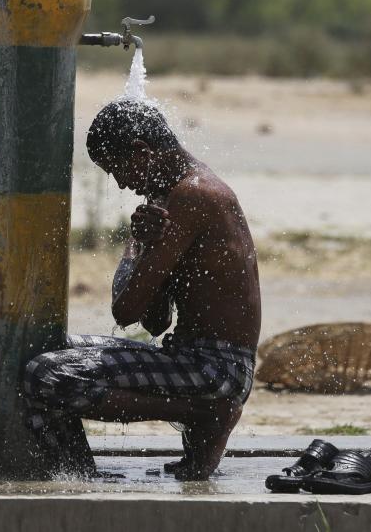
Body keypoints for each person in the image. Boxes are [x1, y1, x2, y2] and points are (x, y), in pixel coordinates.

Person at [22, 99, 261, 480]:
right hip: (189, 358)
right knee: (42, 347)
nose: (121, 183)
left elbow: (125, 311)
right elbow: (155, 320)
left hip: (218, 370)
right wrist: (146, 244)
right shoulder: (167, 196)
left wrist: (135, 246)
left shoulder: (194, 195)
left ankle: (206, 413)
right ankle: (80, 480)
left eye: (118, 169)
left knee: (46, 374)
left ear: (141, 152)